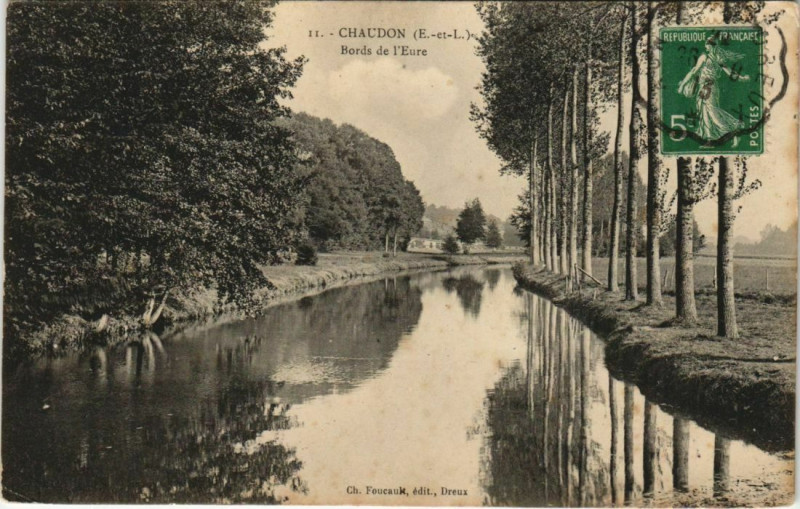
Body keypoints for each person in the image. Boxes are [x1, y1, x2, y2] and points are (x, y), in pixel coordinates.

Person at [677, 35, 750, 148]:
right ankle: (710, 140)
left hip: (710, 88)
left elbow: (729, 72)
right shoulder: (705, 57)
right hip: (703, 87)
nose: (707, 46)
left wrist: (741, 78)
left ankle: (734, 131)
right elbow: (694, 71)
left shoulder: (717, 58)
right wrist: (683, 85)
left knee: (713, 112)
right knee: (704, 112)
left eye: (709, 44)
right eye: (707, 44)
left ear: (713, 46)